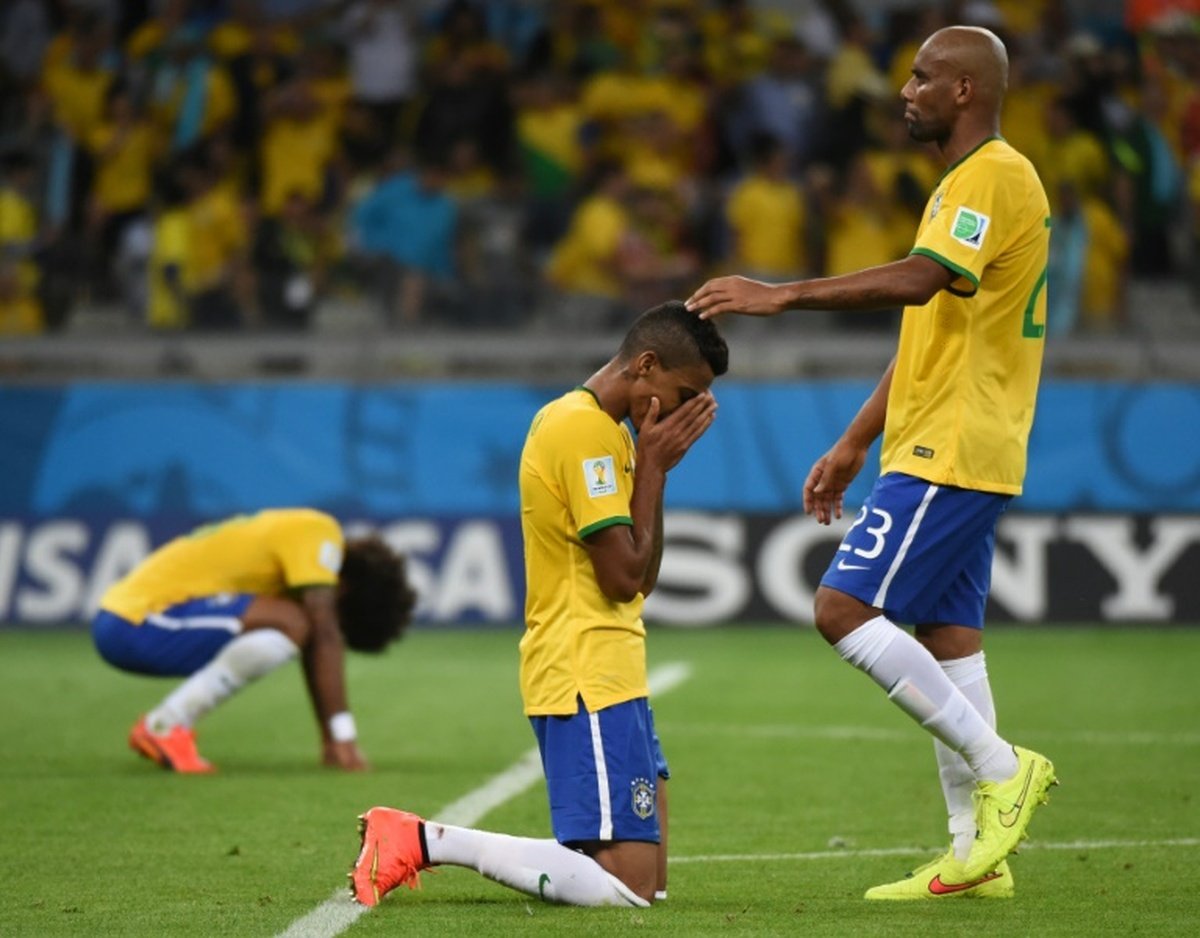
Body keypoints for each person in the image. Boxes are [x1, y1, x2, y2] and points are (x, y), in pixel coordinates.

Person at [685, 26, 1057, 900]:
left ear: (965, 90)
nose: (906, 91)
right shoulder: (965, 187)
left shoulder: (993, 176)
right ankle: (974, 857)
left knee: (841, 607)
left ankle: (1004, 770)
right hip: (938, 435)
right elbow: (933, 321)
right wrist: (855, 440)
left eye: (923, 78)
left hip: (954, 441)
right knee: (947, 638)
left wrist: (784, 294)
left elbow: (922, 282)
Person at [350, 300, 728, 908]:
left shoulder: (610, 435)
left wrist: (654, 470)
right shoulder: (581, 431)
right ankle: (422, 839)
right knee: (628, 887)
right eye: (684, 392)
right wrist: (653, 471)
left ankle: (426, 839)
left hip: (613, 667)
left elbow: (641, 577)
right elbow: (621, 578)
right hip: (584, 669)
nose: (684, 411)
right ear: (647, 364)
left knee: (648, 885)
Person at [91, 508, 415, 773]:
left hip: (128, 621)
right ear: (345, 591)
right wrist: (345, 739)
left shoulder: (293, 549)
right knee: (294, 621)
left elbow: (319, 637)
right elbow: (324, 631)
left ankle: (168, 725)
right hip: (135, 622)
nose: (333, 626)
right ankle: (164, 725)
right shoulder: (319, 532)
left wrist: (332, 740)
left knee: (294, 623)